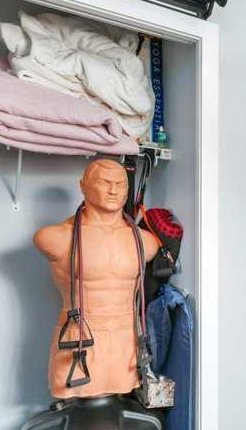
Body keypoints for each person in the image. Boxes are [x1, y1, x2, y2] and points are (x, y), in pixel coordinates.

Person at [33, 158, 159, 398]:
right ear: (83, 186)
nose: (113, 190)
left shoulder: (145, 241)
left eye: (120, 184)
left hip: (126, 342)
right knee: (80, 411)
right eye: (104, 182)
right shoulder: (56, 237)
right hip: (78, 341)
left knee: (116, 405)